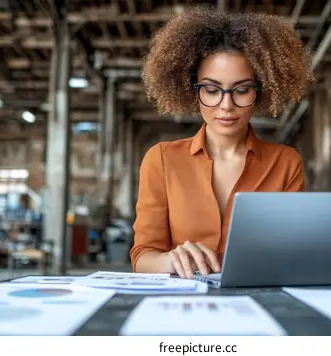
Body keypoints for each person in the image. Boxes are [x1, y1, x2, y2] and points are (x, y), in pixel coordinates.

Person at [130, 8, 314, 278]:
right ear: (193, 89)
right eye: (212, 90)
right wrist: (169, 261)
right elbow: (142, 257)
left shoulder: (285, 163)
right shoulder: (161, 160)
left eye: (241, 90)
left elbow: (293, 252)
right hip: (181, 305)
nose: (226, 105)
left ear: (260, 90)